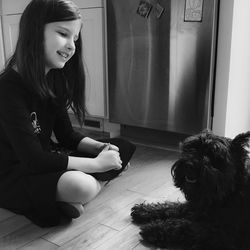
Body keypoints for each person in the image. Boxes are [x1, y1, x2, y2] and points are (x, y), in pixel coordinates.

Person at [0, 0, 136, 227]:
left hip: (44, 163)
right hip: (13, 175)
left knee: (124, 146)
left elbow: (66, 135)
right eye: (63, 33)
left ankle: (73, 197)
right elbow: (34, 160)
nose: (72, 45)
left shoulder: (53, 79)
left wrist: (99, 149)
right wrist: (98, 166)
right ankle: (94, 186)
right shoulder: (7, 89)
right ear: (34, 31)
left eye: (75, 38)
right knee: (80, 185)